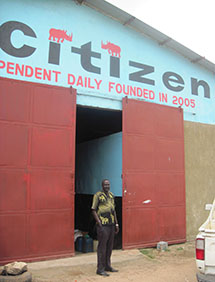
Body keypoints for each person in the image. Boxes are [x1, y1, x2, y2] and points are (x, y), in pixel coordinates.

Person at [91, 179, 119, 276]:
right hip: (103, 225)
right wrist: (99, 222)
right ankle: (100, 269)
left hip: (111, 224)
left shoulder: (111, 195)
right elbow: (93, 209)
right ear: (102, 186)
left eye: (108, 184)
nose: (107, 186)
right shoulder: (98, 195)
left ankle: (108, 266)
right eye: (105, 185)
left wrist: (116, 224)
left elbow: (114, 210)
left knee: (109, 247)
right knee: (102, 247)